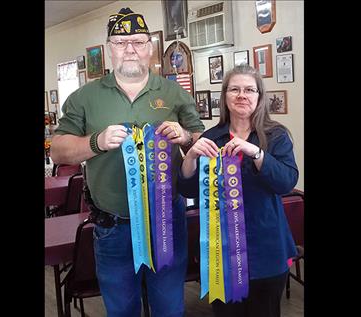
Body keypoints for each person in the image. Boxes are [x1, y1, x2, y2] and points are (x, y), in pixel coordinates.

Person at [50, 7, 204, 317]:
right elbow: (57, 150)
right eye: (121, 43)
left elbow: (199, 138)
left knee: (169, 307)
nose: (130, 49)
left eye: (137, 41)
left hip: (166, 221)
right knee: (121, 309)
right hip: (112, 224)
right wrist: (96, 141)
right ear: (110, 50)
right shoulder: (84, 97)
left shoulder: (173, 92)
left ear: (149, 47)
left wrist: (185, 136)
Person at [178, 64, 298, 317]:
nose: (242, 95)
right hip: (221, 252)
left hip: (266, 249)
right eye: (234, 89)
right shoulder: (210, 137)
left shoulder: (276, 136)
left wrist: (255, 152)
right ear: (225, 97)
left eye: (249, 89)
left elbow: (286, 181)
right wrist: (189, 157)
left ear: (259, 97)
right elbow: (189, 190)